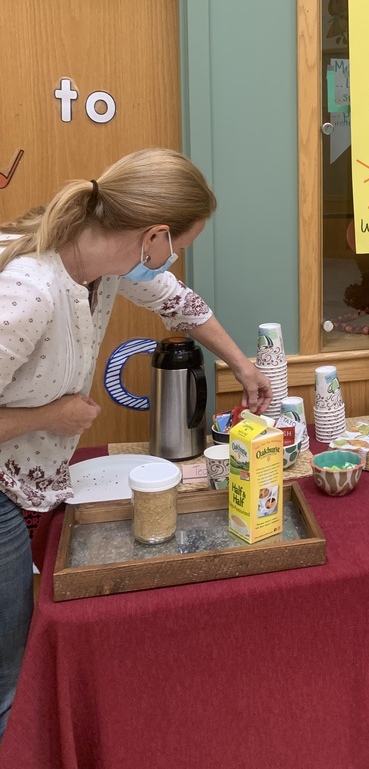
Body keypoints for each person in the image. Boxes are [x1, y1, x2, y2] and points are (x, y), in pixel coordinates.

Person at [0, 148, 272, 744]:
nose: (174, 261)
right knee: (9, 680)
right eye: (178, 247)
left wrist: (242, 365)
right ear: (153, 237)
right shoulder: (30, 291)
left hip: (25, 478)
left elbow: (182, 305)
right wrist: (52, 415)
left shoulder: (109, 268)